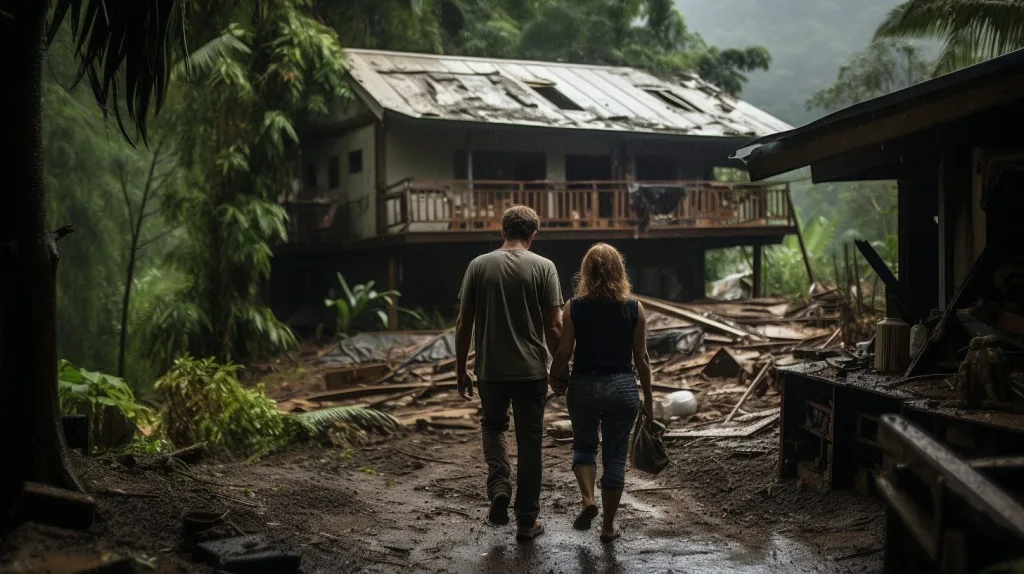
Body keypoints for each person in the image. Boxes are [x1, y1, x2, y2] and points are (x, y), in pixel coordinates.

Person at [455, 205, 564, 542]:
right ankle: (526, 521)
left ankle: (500, 485)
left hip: (489, 371)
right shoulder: (544, 267)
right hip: (531, 371)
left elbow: (464, 323)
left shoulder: (478, 266)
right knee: (530, 444)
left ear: (502, 231)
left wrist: (461, 369)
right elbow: (555, 327)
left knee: (493, 427)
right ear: (532, 234)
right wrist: (560, 369)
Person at [548, 243, 654, 543]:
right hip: (622, 386)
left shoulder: (575, 307)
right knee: (616, 457)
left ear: (586, 272)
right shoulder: (635, 308)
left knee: (584, 446)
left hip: (583, 385)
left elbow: (565, 350)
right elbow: (641, 358)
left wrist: (554, 375)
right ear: (619, 271)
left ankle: (588, 500)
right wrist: (649, 399)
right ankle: (608, 527)